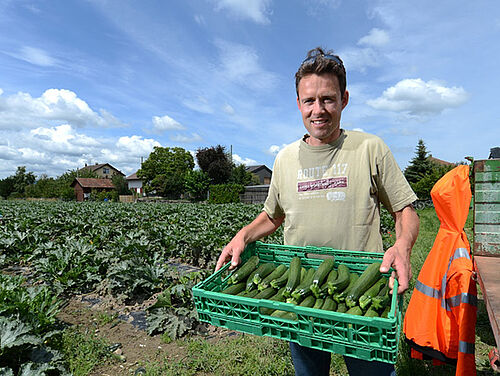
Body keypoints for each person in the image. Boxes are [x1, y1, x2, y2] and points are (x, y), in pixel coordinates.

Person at [215, 47, 420, 376]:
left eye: (328, 99)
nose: (318, 110)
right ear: (298, 104)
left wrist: (403, 246)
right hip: (303, 289)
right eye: (309, 101)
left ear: (344, 99)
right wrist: (242, 235)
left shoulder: (371, 148)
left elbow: (404, 210)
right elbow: (273, 215)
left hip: (362, 288)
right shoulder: (284, 159)